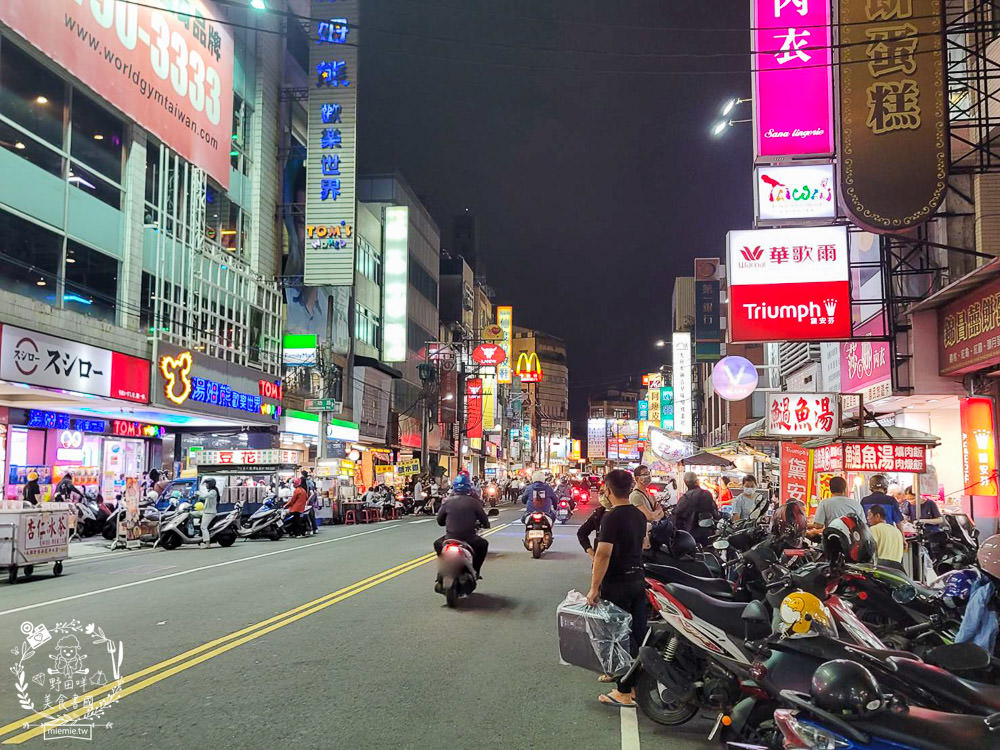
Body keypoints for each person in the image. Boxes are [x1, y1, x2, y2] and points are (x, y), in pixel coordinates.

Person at [586, 469, 648, 708]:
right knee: (638, 635)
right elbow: (643, 544)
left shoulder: (611, 517)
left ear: (608, 490)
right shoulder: (638, 515)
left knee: (618, 638)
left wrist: (594, 587)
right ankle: (635, 686)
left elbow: (603, 554)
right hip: (637, 580)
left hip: (618, 584)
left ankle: (624, 690)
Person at [434, 474, 490, 576]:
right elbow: (484, 519)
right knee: (483, 544)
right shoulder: (474, 502)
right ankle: (476, 571)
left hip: (450, 537)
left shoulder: (447, 502)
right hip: (469, 538)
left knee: (437, 544)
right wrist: (486, 524)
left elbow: (439, 521)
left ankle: (441, 571)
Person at [674, 471, 720, 546]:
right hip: (707, 533)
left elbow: (677, 516)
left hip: (689, 534)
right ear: (697, 482)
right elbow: (714, 512)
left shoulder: (684, 498)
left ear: (685, 483)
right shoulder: (706, 494)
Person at [577, 485, 613, 559]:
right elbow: (581, 533)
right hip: (602, 560)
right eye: (600, 493)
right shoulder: (599, 513)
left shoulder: (627, 512)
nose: (602, 496)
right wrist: (591, 552)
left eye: (604, 492)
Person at [867, 504, 905, 571]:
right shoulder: (897, 531)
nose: (867, 518)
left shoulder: (874, 529)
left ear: (877, 516)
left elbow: (868, 550)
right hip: (896, 571)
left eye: (869, 515)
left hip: (880, 571)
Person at [199, 478, 221, 548]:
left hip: (209, 513)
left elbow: (205, 496)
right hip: (206, 512)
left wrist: (198, 493)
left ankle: (207, 544)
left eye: (207, 484)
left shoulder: (213, 491)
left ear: (211, 484)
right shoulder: (211, 491)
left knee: (203, 527)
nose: (206, 485)